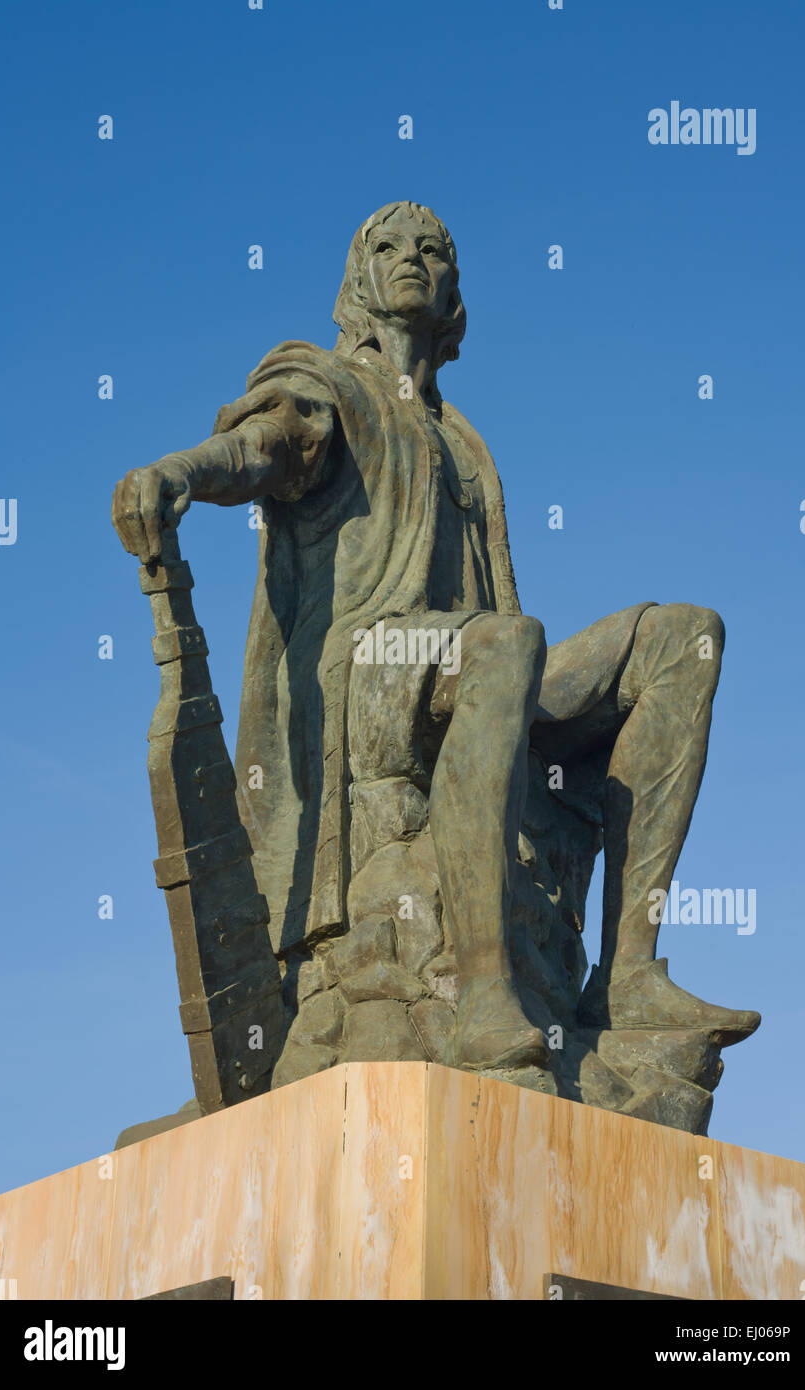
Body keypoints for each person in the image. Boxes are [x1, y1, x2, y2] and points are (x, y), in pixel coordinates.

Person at [112, 201, 759, 1072]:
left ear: (454, 289)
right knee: (505, 644)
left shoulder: (463, 439)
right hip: (368, 672)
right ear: (359, 280)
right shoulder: (327, 387)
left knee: (685, 638)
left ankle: (630, 975)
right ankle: (484, 991)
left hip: (475, 660)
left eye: (433, 250)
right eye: (389, 247)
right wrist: (177, 472)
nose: (412, 257)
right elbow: (261, 447)